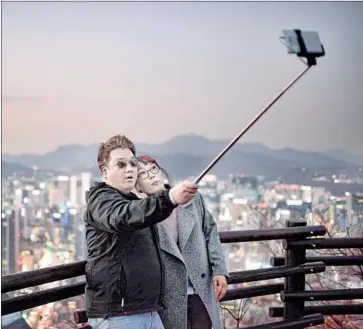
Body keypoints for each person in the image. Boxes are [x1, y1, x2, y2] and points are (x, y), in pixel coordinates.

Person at [83, 135, 199, 329]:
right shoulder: (101, 200)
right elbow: (122, 216)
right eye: (121, 165)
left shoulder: (134, 201)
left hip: (147, 309)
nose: (129, 169)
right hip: (118, 315)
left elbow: (141, 211)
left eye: (132, 164)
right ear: (105, 171)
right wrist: (169, 198)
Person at [136, 155, 229, 329]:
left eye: (153, 169)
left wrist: (220, 270)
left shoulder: (192, 199)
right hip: (166, 297)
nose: (150, 175)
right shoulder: (140, 214)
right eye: (142, 173)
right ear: (137, 186)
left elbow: (210, 231)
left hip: (199, 289)